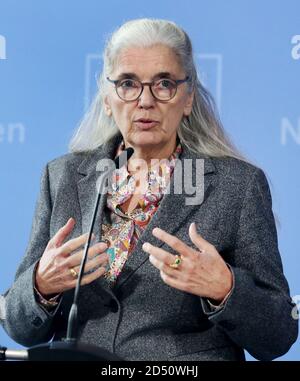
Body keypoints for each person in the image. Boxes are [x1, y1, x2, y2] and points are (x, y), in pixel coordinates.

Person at [0, 18, 298, 361]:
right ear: (108, 98)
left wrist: (226, 289)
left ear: (187, 98)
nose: (145, 101)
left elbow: (278, 334)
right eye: (128, 83)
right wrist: (40, 285)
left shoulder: (239, 186)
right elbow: (20, 327)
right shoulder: (62, 176)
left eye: (164, 84)